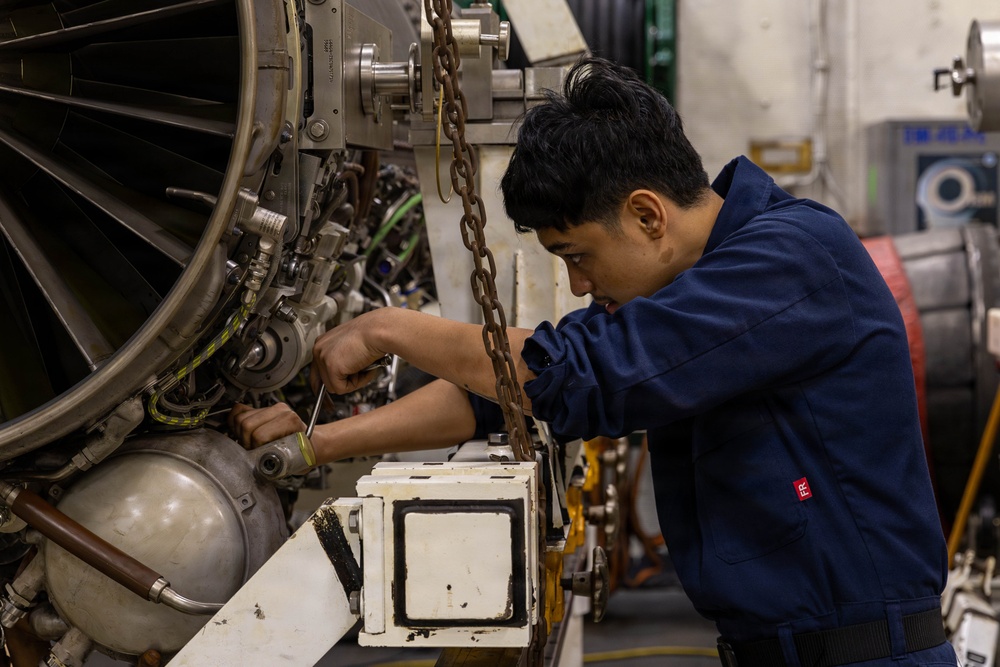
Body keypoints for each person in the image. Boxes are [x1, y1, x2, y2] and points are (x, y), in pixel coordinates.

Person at [230, 57, 956, 666]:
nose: (578, 285)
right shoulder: (697, 291)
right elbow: (508, 391)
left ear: (647, 215)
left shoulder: (789, 261)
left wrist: (388, 327)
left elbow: (574, 373)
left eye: (578, 256)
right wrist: (312, 444)